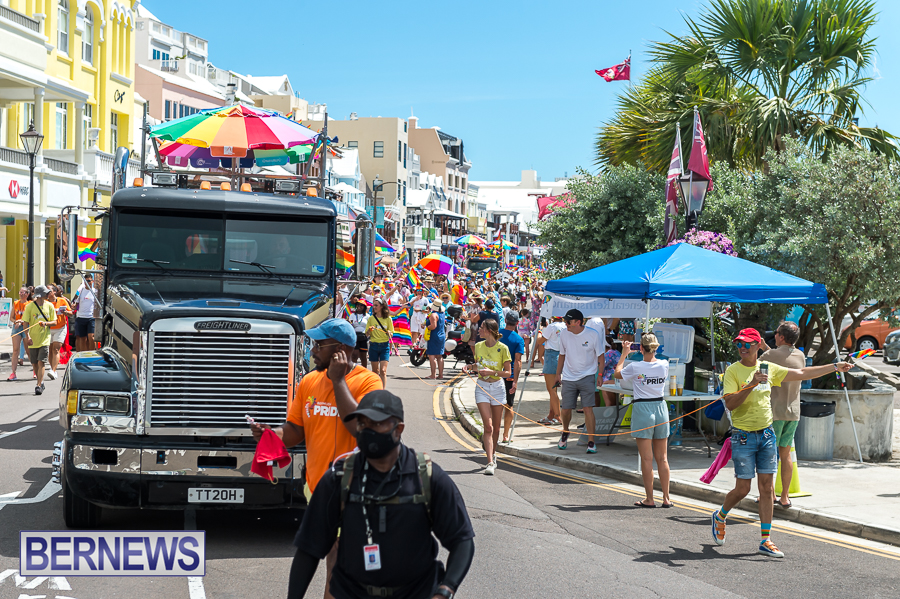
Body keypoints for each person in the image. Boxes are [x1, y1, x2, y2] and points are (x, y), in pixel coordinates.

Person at [287, 389, 475, 599]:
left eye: (376, 424)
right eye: (362, 424)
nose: (367, 430)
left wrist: (445, 590)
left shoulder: (427, 478)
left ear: (398, 429)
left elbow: (462, 540)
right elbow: (309, 549)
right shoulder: (338, 479)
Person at [250, 318, 382, 599]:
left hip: (354, 490)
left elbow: (360, 429)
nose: (313, 351)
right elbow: (296, 430)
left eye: (320, 345)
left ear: (341, 350)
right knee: (331, 557)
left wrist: (338, 380)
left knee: (339, 559)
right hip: (318, 488)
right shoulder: (309, 381)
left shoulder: (369, 382)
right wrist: (271, 434)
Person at [711, 328, 852, 559]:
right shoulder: (733, 371)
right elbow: (731, 404)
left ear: (758, 345)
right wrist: (751, 384)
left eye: (747, 344)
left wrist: (835, 367)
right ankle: (720, 515)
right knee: (743, 489)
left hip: (767, 434)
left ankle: (765, 540)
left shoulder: (768, 368)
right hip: (743, 436)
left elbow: (802, 372)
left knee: (767, 488)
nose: (742, 348)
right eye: (739, 344)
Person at [614, 333, 672, 508]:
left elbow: (617, 374)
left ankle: (649, 498)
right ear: (656, 347)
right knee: (662, 458)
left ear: (640, 348)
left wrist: (624, 354)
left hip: (642, 408)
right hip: (660, 407)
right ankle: (666, 498)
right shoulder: (664, 364)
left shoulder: (635, 366)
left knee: (646, 458)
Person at [760, 321, 806, 508]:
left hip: (774, 412)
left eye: (776, 332)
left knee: (769, 454)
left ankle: (769, 494)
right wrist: (767, 348)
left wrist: (764, 349)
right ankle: (785, 497)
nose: (775, 335)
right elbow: (783, 359)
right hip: (792, 412)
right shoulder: (800, 355)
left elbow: (761, 366)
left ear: (781, 336)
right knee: (785, 454)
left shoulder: (769, 355)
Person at [556, 309, 604, 454]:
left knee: (588, 409)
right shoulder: (564, 333)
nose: (566, 324)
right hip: (568, 377)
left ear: (578, 322)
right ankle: (565, 432)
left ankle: (591, 441)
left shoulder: (593, 334)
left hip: (587, 376)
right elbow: (562, 355)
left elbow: (600, 356)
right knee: (565, 409)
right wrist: (558, 374)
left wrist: (600, 374)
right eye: (565, 321)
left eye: (568, 322)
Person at [466, 319, 511, 475]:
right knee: (489, 426)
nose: (479, 330)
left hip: (498, 388)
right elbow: (477, 366)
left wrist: (492, 372)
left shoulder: (503, 348)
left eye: (481, 328)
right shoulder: (478, 346)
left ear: (489, 330)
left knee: (496, 428)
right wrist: (469, 367)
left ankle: (493, 452)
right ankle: (490, 462)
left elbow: (508, 373)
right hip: (482, 387)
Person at [22, 286, 57, 395]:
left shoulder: (50, 306)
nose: (48, 295)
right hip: (33, 340)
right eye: (46, 293)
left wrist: (45, 323)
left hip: (45, 339)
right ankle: (41, 382)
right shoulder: (29, 307)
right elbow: (25, 324)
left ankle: (38, 385)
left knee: (41, 361)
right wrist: (28, 337)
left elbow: (55, 322)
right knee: (34, 364)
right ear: (41, 295)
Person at [499, 312, 525, 443]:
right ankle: (505, 435)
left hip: (494, 374)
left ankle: (493, 431)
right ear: (517, 323)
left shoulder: (496, 334)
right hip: (509, 376)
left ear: (505, 320)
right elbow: (518, 361)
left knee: (494, 404)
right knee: (509, 405)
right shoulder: (518, 339)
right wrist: (515, 380)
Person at [534, 316, 565, 424]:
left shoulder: (551, 327)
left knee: (552, 389)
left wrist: (539, 331)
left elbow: (539, 341)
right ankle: (552, 414)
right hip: (560, 355)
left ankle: (557, 416)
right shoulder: (565, 326)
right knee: (553, 389)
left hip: (551, 355)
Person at [46, 285, 73, 379]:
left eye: (49, 290)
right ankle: (52, 368)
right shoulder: (45, 303)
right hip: (49, 328)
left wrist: (66, 312)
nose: (47, 292)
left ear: (54, 291)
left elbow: (71, 313)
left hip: (60, 328)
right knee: (50, 349)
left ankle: (53, 371)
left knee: (56, 349)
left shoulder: (62, 301)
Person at [366, 298, 394, 388]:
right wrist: (369, 330)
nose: (374, 307)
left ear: (382, 306)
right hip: (373, 345)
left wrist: (389, 333)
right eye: (373, 305)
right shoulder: (371, 318)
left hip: (384, 346)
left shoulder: (388, 318)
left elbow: (391, 333)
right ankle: (376, 388)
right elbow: (366, 334)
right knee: (375, 371)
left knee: (383, 370)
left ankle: (382, 390)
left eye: (376, 305)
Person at [8, 286, 31, 381]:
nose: (21, 294)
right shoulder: (16, 303)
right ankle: (13, 373)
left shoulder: (30, 304)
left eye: (23, 292)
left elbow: (31, 317)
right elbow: (11, 317)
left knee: (28, 350)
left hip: (26, 327)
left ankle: (35, 370)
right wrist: (15, 321)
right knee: (15, 350)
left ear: (27, 294)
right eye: (20, 292)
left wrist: (22, 321)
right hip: (16, 328)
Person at [73, 273, 97, 352]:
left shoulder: (95, 292)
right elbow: (75, 302)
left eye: (89, 281)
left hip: (91, 317)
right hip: (81, 317)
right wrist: (73, 306)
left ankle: (92, 353)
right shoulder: (80, 291)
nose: (88, 283)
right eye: (86, 281)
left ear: (92, 281)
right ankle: (83, 354)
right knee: (82, 338)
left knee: (91, 337)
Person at [425, 299, 446, 380]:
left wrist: (427, 327)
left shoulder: (434, 315)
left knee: (432, 355)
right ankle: (440, 374)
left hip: (434, 335)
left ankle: (433, 374)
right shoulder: (442, 313)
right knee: (439, 356)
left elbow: (433, 326)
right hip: (441, 335)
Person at [347, 296, 370, 369]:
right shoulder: (352, 315)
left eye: (361, 305)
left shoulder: (367, 316)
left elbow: (369, 327)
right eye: (358, 305)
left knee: (363, 357)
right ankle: (354, 371)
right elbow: (350, 325)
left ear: (364, 307)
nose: (359, 306)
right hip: (355, 337)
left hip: (364, 337)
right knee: (354, 356)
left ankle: (364, 371)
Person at [600, 336, 621, 407]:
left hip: (612, 377)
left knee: (603, 384)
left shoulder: (608, 354)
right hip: (618, 376)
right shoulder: (616, 352)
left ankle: (608, 404)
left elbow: (602, 365)